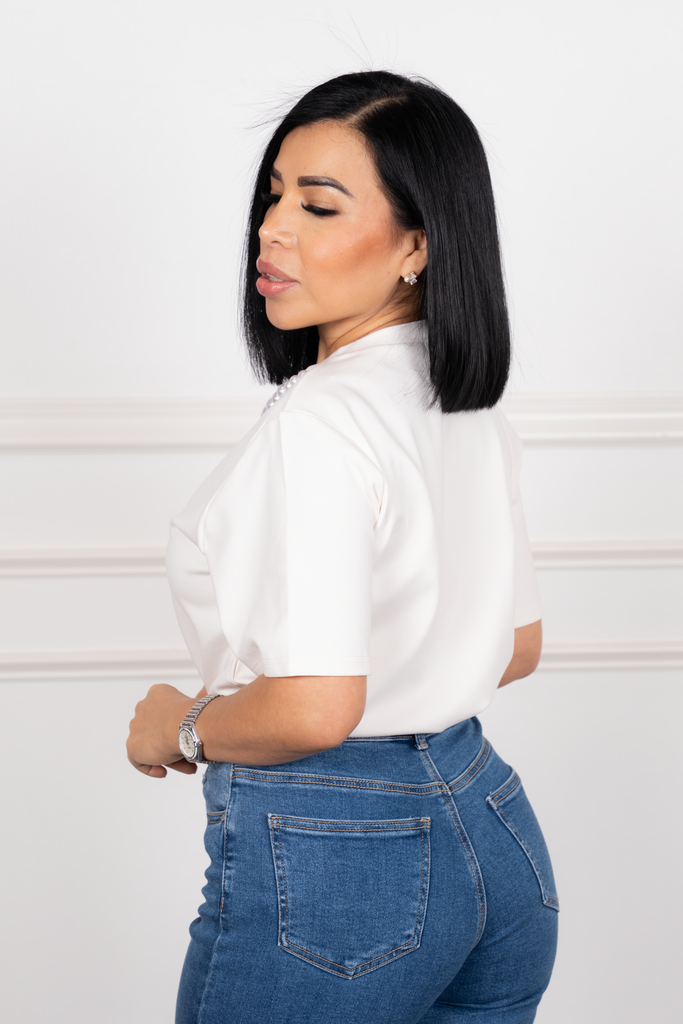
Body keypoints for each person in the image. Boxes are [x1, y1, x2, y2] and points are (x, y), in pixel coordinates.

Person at [127, 70, 558, 1024]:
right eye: (274, 195)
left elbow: (315, 708)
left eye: (318, 206)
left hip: (340, 858)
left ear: (417, 245)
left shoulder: (322, 420)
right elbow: (517, 646)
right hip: (492, 832)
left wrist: (180, 726)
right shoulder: (466, 408)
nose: (272, 229)